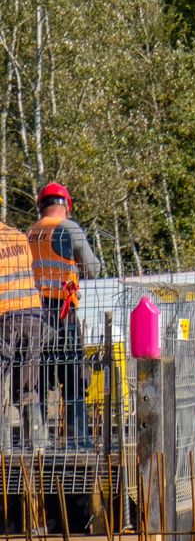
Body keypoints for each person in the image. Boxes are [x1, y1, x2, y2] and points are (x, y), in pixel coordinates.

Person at [28, 182, 101, 450]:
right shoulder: (68, 228)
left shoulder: (30, 233)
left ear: (40, 206)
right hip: (63, 314)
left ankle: (38, 441)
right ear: (67, 206)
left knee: (37, 379)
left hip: (34, 315)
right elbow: (93, 268)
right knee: (72, 378)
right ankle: (77, 440)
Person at [0, 220, 44, 450]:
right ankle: (37, 448)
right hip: (32, 316)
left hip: (4, 318)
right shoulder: (18, 236)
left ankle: (3, 450)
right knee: (28, 388)